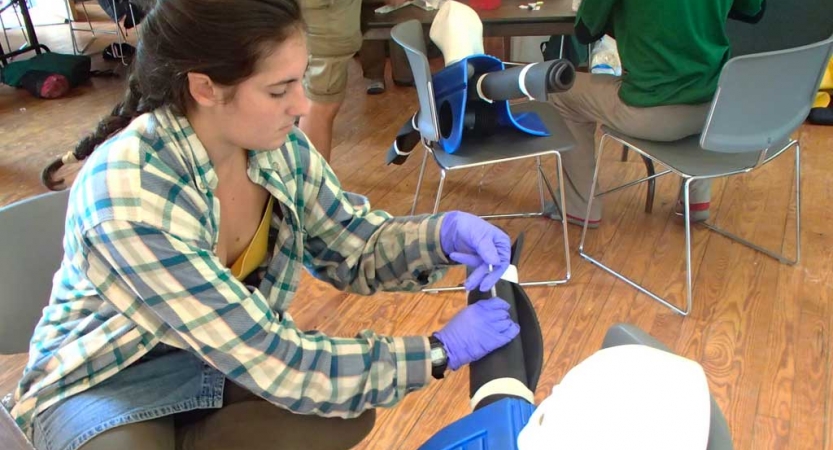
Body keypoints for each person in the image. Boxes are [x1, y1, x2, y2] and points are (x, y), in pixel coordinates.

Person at [9, 1, 520, 449]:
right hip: (104, 377)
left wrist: (442, 236)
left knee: (340, 414)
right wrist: (435, 353)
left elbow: (355, 247)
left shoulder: (278, 150)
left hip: (206, 360)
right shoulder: (131, 192)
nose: (301, 106)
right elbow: (274, 359)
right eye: (280, 90)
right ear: (205, 88)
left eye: (301, 79)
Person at [549, 0, 766, 227]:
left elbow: (585, 30)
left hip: (652, 113)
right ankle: (697, 200)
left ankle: (579, 206)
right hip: (714, 109)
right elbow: (754, 11)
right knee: (698, 68)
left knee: (562, 91)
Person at [297, 0, 405, 160]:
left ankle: (310, 180)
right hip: (326, 30)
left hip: (319, 24)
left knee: (315, 103)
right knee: (320, 106)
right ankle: (313, 182)